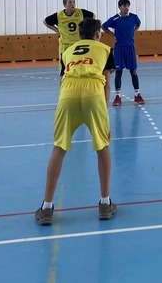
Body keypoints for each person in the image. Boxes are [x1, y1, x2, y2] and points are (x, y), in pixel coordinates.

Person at [35, 18, 118, 225]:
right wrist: (104, 117)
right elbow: (107, 84)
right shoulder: (105, 50)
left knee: (59, 148)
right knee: (103, 146)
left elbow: (62, 79)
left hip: (68, 93)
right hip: (93, 93)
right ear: (98, 34)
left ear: (80, 35)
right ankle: (105, 203)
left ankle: (46, 207)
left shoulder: (67, 51)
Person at [102, 0, 145, 106]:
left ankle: (137, 94)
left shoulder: (134, 17)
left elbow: (138, 24)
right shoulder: (115, 19)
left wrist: (133, 32)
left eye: (127, 6)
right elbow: (104, 26)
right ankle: (118, 96)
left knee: (133, 72)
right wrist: (113, 35)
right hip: (119, 48)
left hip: (130, 48)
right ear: (119, 7)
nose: (126, 8)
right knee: (119, 72)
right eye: (124, 6)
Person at [43, 0, 96, 77]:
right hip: (65, 44)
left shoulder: (81, 12)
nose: (72, 4)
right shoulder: (59, 15)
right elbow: (45, 22)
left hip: (79, 44)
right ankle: (64, 82)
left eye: (74, 2)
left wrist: (86, 28)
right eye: (70, 2)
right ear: (65, 5)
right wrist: (57, 31)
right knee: (64, 68)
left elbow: (93, 16)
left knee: (80, 65)